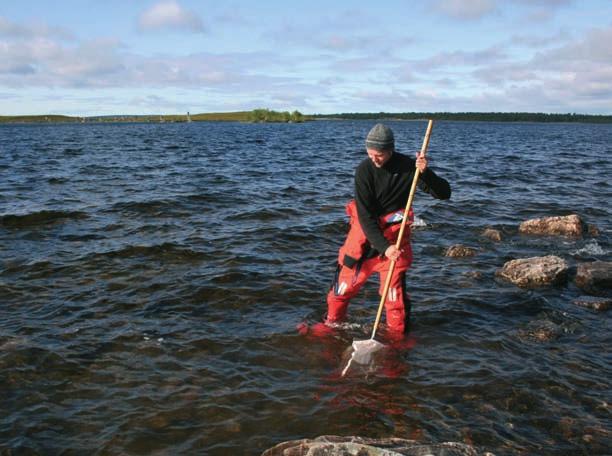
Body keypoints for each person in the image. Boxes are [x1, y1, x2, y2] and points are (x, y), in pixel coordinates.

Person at [325, 123, 451, 336]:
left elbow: (444, 194)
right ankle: (330, 327)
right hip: (365, 241)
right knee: (341, 292)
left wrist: (426, 173)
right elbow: (364, 216)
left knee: (394, 300)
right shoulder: (364, 170)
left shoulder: (409, 167)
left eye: (379, 154)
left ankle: (396, 339)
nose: (374, 158)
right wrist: (384, 247)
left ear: (390, 150)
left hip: (395, 240)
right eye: (370, 153)